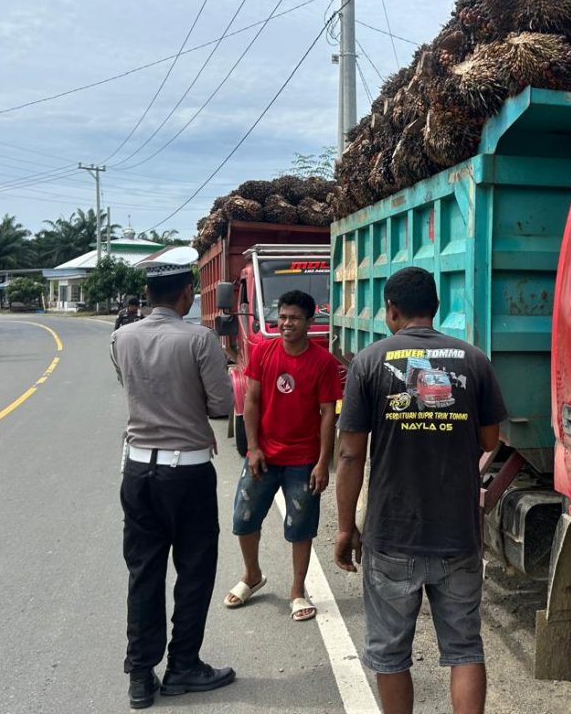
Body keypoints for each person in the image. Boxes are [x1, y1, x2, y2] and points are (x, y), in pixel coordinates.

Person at [335, 266, 506, 714]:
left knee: (390, 654)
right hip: (458, 534)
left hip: (392, 534)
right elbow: (491, 441)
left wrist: (343, 527)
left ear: (391, 311)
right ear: (438, 307)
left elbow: (350, 455)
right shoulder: (474, 360)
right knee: (465, 648)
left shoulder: (369, 363)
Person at [110, 246, 236, 709]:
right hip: (187, 473)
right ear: (186, 294)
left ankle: (140, 677)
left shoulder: (122, 337)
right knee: (194, 570)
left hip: (138, 469)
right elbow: (222, 405)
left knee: (144, 572)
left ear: (148, 294)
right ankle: (183, 665)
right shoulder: (199, 340)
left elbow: (132, 386)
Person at [224, 289, 341, 621]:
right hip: (263, 455)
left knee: (300, 527)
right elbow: (251, 401)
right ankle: (252, 575)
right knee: (244, 519)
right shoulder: (264, 351)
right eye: (283, 317)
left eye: (294, 318)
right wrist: (254, 448)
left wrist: (322, 463)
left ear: (309, 321)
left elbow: (328, 415)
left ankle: (297, 590)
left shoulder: (324, 363)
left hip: (302, 460)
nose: (286, 323)